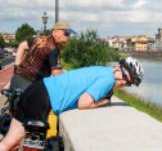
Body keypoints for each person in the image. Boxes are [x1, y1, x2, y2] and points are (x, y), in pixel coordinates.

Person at [0, 57, 144, 151]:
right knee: (31, 148)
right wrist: (101, 102)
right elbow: (83, 103)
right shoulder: (109, 79)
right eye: (125, 76)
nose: (124, 82)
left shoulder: (104, 71)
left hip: (36, 90)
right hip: (44, 99)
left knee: (9, 143)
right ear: (119, 67)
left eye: (129, 83)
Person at [10, 21, 76, 91]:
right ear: (55, 32)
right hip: (29, 85)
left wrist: (16, 67)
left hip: (16, 78)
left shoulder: (40, 39)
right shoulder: (53, 49)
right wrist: (70, 80)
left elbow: (22, 45)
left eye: (69, 35)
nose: (67, 37)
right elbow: (56, 75)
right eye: (66, 34)